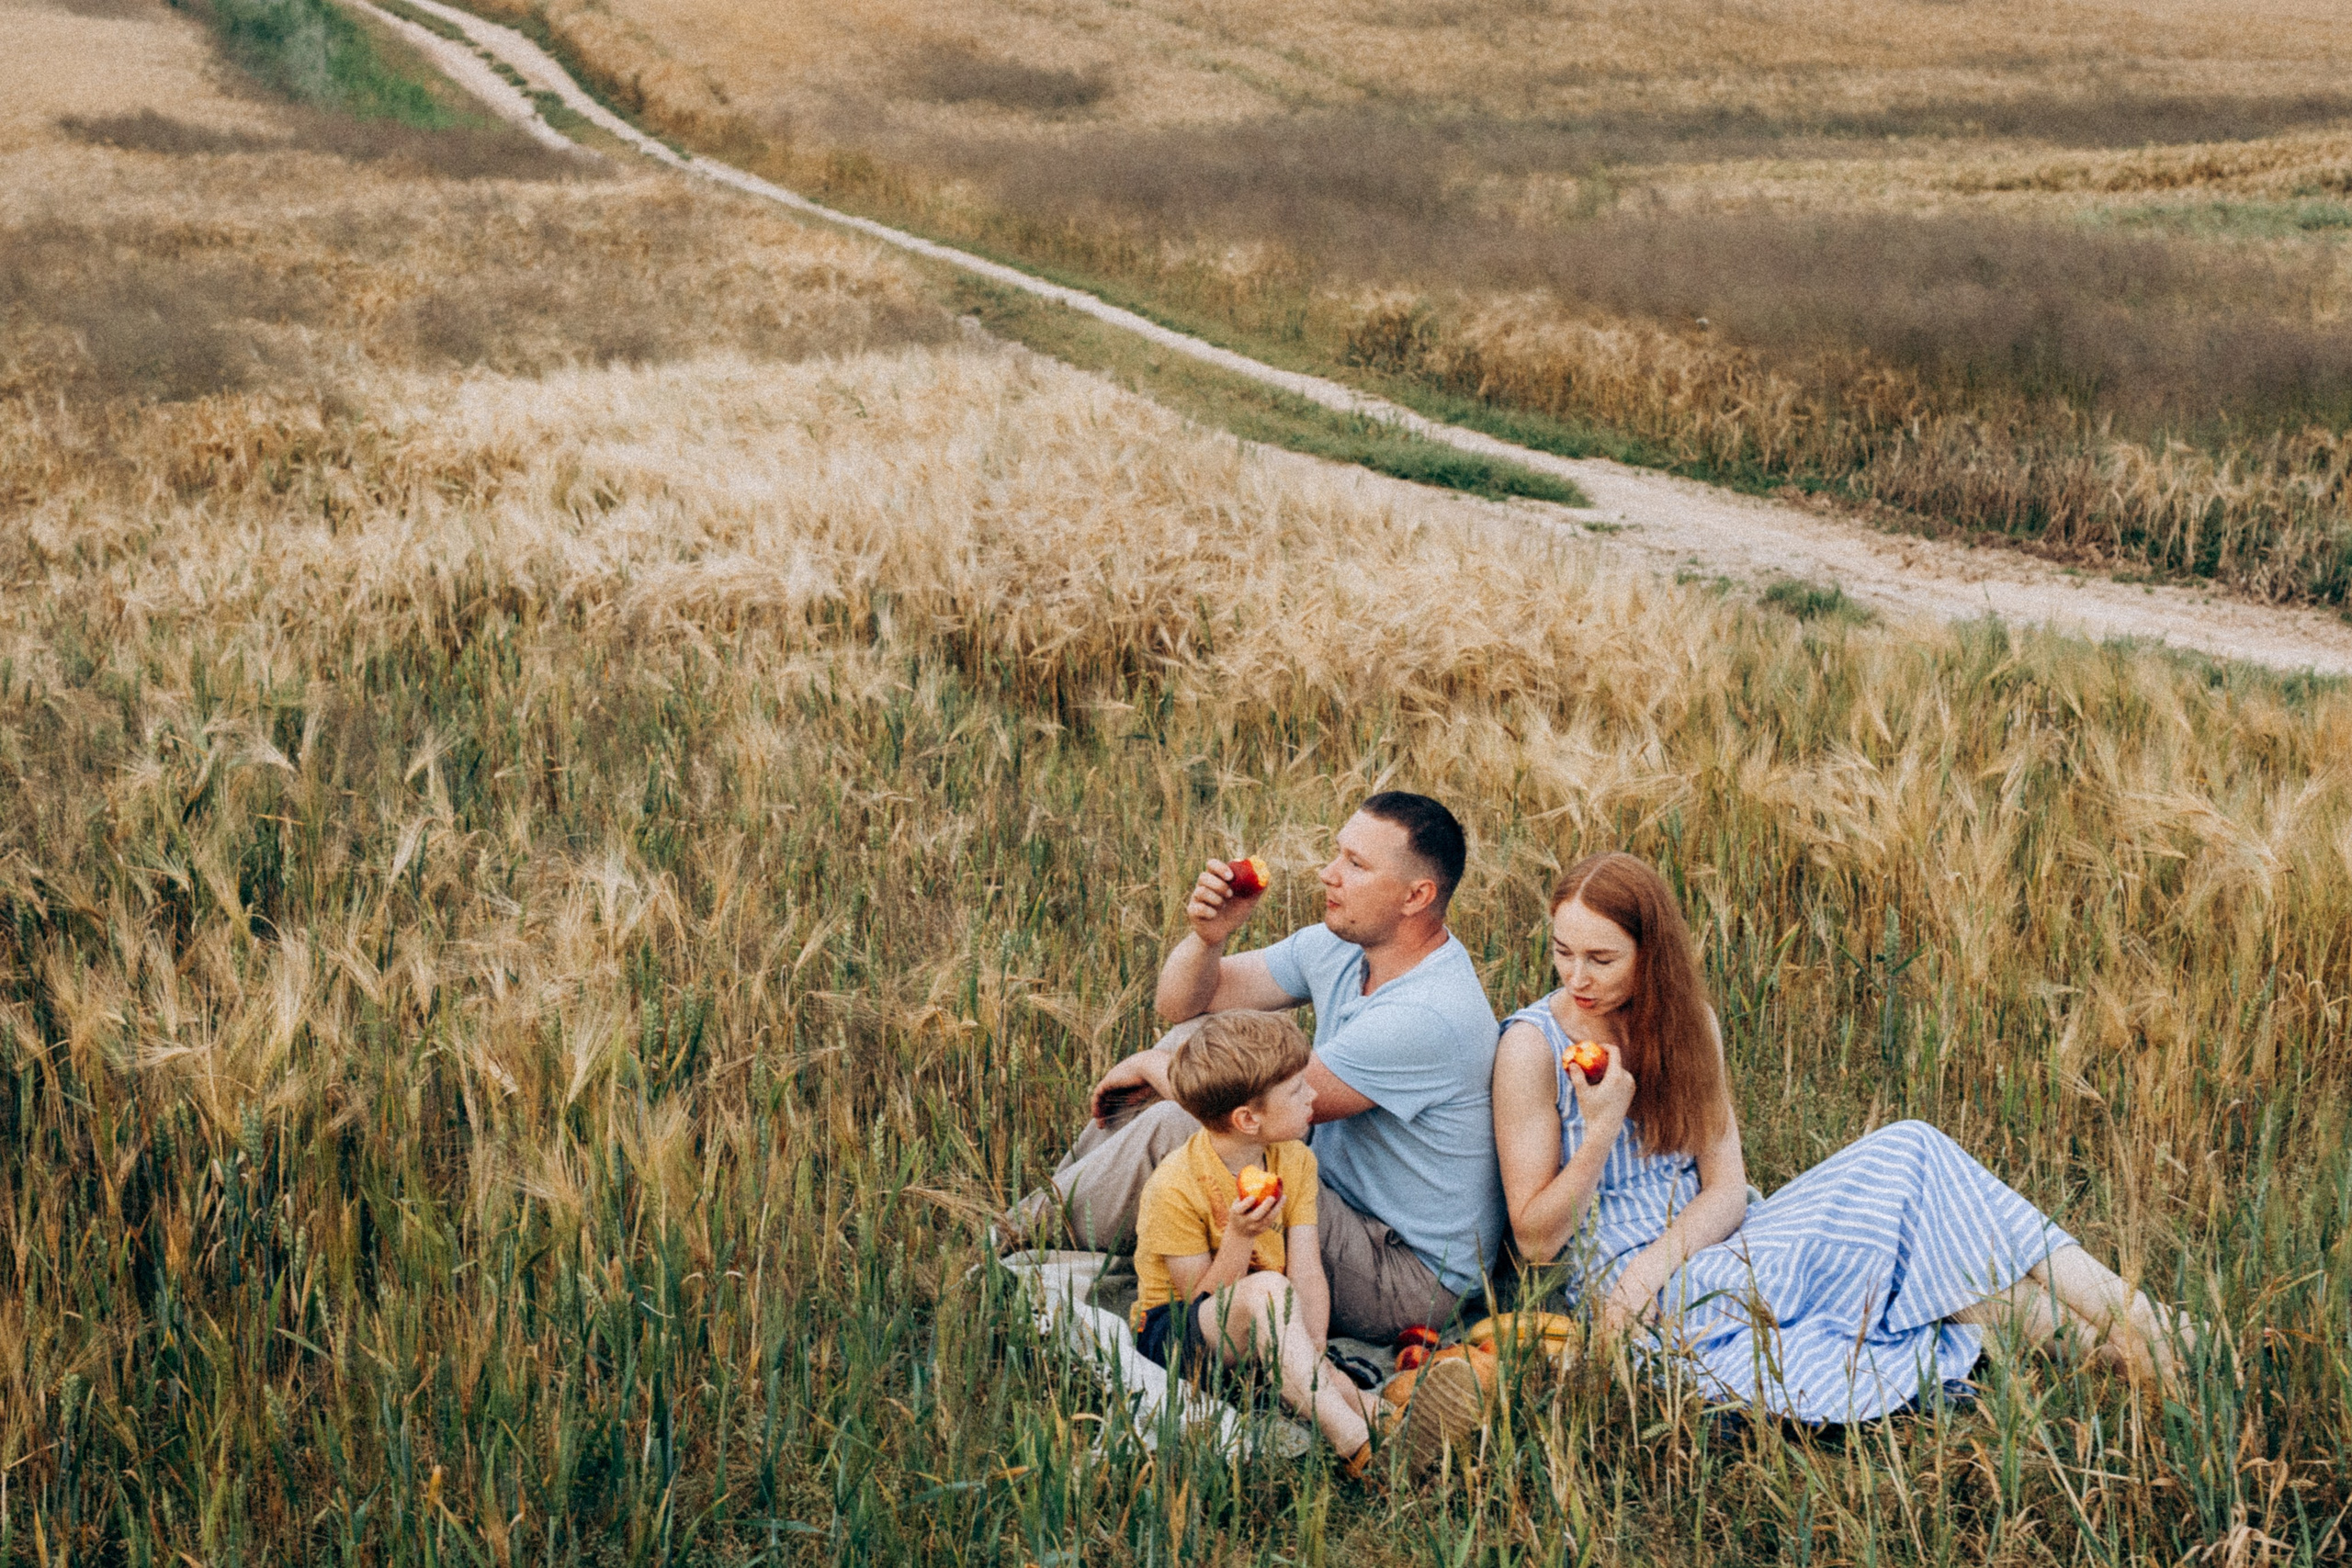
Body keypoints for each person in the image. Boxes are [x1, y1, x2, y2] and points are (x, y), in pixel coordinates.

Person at [1491, 851, 2192, 1424]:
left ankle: (2136, 1343)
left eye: (1602, 958)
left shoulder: (1686, 1024)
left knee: (1927, 1214)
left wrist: (1661, 1259)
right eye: (1562, 952)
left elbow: (1727, 1188)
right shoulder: (1532, 1046)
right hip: (1635, 1292)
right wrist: (1602, 1129)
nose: (1576, 976)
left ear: (1653, 956)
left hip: (1723, 1242)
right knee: (1918, 1186)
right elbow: (1534, 1241)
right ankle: (2159, 1334)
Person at [1013, 792, 1508, 1344]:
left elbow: (1258, 1110)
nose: (1328, 874)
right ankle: (1055, 1214)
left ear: (1417, 896)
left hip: (1403, 1274)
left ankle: (1011, 1241)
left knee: (1196, 1120)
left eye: (1356, 864)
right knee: (1194, 1041)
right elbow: (1184, 1004)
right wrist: (1210, 938)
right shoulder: (1344, 947)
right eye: (1337, 854)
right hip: (1335, 1204)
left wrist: (1152, 1064)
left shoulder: (1427, 1014)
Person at [1126, 1011, 1476, 1472]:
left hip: (1265, 1326)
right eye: (1296, 1090)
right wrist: (1239, 1237)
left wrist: (1314, 1349)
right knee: (1270, 1290)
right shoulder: (1174, 1186)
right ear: (1248, 1119)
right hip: (1177, 1335)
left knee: (1335, 1383)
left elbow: (1307, 1269)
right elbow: (1198, 1299)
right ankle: (1356, 1449)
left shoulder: (1293, 1160)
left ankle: (1405, 1434)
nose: (1313, 1094)